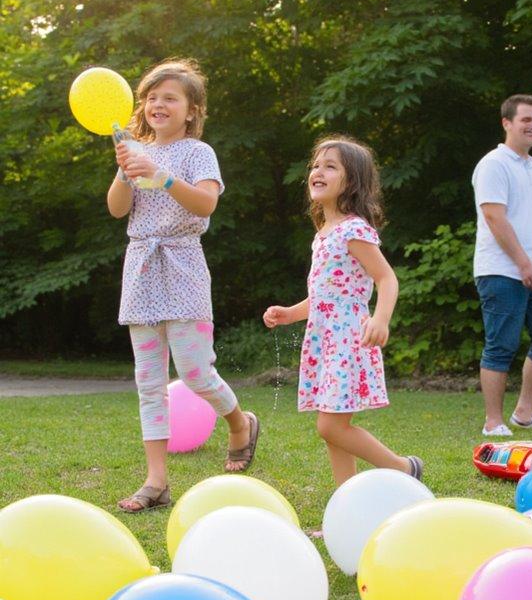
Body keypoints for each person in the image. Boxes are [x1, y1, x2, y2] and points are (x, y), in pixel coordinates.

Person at [107, 58, 259, 512]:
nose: (158, 104)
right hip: (141, 267)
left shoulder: (198, 152)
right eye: (151, 97)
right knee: (148, 381)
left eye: (170, 97)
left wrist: (162, 175)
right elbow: (117, 210)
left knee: (195, 371)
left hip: (183, 263)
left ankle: (240, 423)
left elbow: (205, 203)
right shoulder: (134, 149)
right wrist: (123, 171)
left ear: (191, 110)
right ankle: (156, 481)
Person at [263, 135, 423, 487]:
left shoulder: (353, 229)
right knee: (334, 430)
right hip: (325, 338)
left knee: (331, 426)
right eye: (315, 166)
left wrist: (381, 318)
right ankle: (344, 505)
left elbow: (386, 278)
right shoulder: (323, 233)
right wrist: (291, 313)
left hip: (347, 338)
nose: (318, 171)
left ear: (350, 181)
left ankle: (403, 468)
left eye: (330, 166)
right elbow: (323, 295)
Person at [472, 94, 532, 437]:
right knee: (502, 345)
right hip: (500, 270)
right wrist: (524, 263)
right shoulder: (494, 164)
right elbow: (494, 217)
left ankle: (524, 413)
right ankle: (493, 423)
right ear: (507, 123)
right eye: (526, 119)